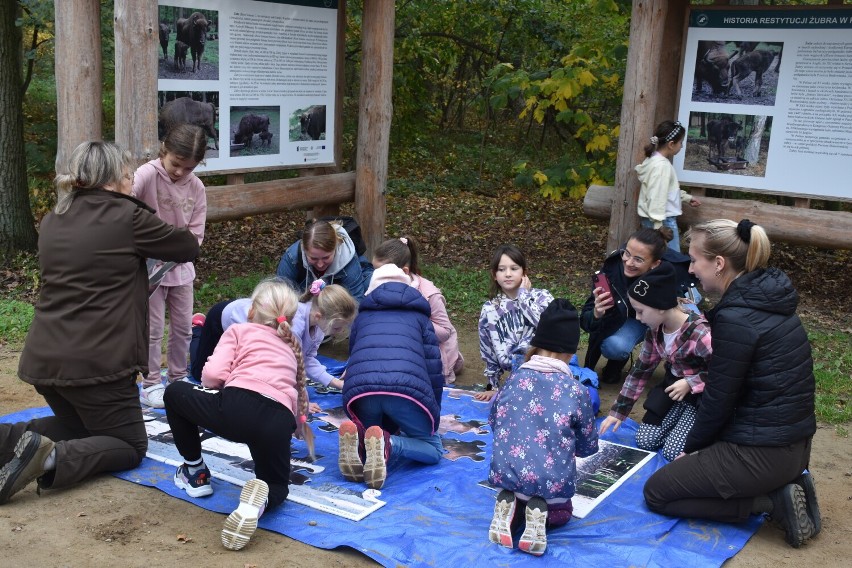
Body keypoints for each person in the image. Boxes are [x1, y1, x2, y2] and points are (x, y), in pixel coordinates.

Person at [0, 141, 199, 505]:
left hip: (45, 360)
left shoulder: (53, 218)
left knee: (81, 429)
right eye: (126, 174)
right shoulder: (128, 217)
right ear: (112, 178)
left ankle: (6, 441)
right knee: (129, 444)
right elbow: (187, 247)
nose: (130, 180)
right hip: (97, 364)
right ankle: (47, 459)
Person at [643, 219, 820, 549]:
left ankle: (770, 501)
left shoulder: (737, 319)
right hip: (794, 449)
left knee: (658, 493)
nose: (691, 269)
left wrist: (691, 449)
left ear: (719, 264)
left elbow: (719, 398)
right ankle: (781, 485)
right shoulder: (766, 299)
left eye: (695, 260)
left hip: (763, 455)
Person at [162, 278, 314, 551]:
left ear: (252, 310)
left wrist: (223, 388)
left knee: (175, 393)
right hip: (279, 421)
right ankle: (258, 503)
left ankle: (195, 472)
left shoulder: (239, 331)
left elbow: (211, 377)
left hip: (236, 408)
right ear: (289, 319)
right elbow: (299, 394)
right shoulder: (293, 347)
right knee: (278, 484)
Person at [488, 299, 599, 556]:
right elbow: (587, 445)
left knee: (516, 492)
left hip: (507, 476)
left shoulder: (514, 380)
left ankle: (511, 510)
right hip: (550, 484)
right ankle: (542, 517)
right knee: (563, 512)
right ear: (571, 354)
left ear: (537, 344)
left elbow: (494, 421)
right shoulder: (576, 390)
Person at [338, 263, 444, 490]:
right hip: (405, 391)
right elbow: (434, 368)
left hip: (363, 391)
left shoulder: (362, 317)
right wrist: (432, 414)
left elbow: (355, 358)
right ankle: (390, 442)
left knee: (370, 432)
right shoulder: (420, 318)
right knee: (433, 448)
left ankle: (360, 442)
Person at [598, 263, 711, 461]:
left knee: (672, 451)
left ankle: (702, 434)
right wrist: (619, 411)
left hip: (701, 398)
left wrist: (691, 382)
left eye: (641, 311)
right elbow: (641, 371)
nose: (638, 318)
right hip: (673, 393)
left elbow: (725, 371)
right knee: (645, 440)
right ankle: (677, 420)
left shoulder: (701, 333)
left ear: (660, 307)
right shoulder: (655, 330)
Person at [134, 123, 208, 408]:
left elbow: (195, 235)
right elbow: (125, 206)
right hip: (147, 268)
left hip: (180, 266)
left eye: (188, 168)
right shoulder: (146, 174)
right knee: (152, 328)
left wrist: (180, 248)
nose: (180, 172)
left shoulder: (197, 187)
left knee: (183, 328)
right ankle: (151, 382)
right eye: (176, 164)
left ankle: (177, 379)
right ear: (164, 150)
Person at [580, 227, 698, 385]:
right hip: (633, 320)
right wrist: (596, 314)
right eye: (626, 253)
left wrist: (678, 303)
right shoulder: (612, 272)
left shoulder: (672, 272)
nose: (628, 262)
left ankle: (684, 371)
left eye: (638, 259)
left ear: (655, 264)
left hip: (664, 315)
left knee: (693, 324)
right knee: (615, 347)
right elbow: (586, 321)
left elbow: (689, 310)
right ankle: (615, 365)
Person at [372, 236, 464, 384]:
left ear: (404, 271)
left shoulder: (429, 294)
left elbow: (446, 332)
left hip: (428, 353)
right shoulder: (378, 287)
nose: (375, 277)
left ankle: (454, 360)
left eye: (381, 273)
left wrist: (415, 320)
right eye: (374, 271)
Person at [477, 244, 554, 402]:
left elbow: (548, 330)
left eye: (514, 268)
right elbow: (488, 349)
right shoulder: (490, 309)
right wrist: (493, 386)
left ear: (524, 272)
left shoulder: (542, 297)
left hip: (545, 372)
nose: (508, 274)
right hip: (515, 378)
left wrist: (524, 297)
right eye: (501, 269)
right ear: (494, 275)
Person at [636, 120, 701, 252]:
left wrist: (686, 197)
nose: (681, 146)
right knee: (672, 260)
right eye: (680, 142)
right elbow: (657, 197)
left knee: (655, 258)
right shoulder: (662, 166)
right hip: (662, 221)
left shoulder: (653, 160)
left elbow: (664, 190)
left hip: (653, 220)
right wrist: (659, 228)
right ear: (671, 144)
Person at [276, 219, 374, 302]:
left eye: (326, 257)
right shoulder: (292, 257)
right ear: (304, 250)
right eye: (313, 258)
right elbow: (280, 297)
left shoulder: (348, 260)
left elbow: (355, 303)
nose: (320, 264)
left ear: (336, 248)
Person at [293, 280, 358, 390]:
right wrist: (300, 401)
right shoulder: (295, 324)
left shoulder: (318, 325)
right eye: (336, 327)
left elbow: (306, 360)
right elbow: (288, 365)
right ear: (319, 316)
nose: (339, 331)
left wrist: (337, 383)